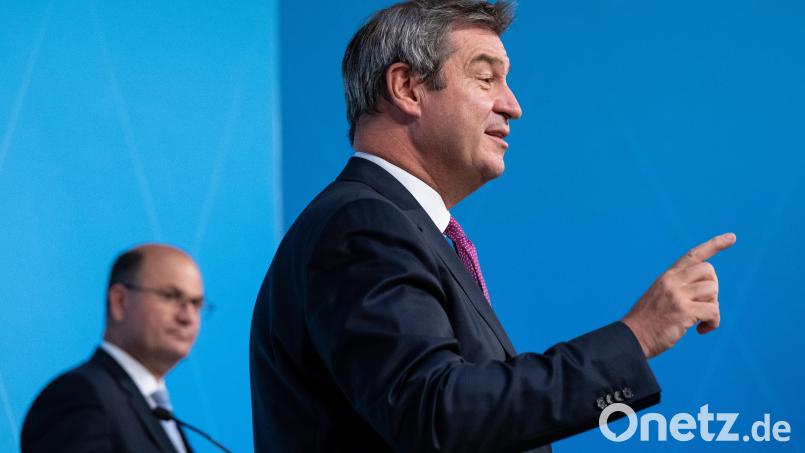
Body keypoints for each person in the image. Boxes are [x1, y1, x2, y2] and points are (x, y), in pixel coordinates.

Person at [249, 1, 736, 452]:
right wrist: (636, 337)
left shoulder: (395, 225)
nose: (512, 105)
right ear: (407, 88)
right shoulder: (362, 225)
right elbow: (436, 414)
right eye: (486, 78)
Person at [22, 244, 205, 453]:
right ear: (120, 301)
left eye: (196, 304)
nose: (188, 317)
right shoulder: (80, 396)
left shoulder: (159, 411)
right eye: (170, 296)